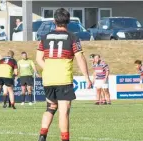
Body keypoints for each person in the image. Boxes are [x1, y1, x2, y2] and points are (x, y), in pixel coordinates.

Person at [36, 8, 91, 141]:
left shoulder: (45, 37)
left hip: (48, 78)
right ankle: (65, 139)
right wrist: (87, 77)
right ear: (69, 21)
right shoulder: (73, 37)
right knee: (63, 111)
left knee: (50, 107)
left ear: (54, 21)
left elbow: (38, 59)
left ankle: (42, 136)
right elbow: (80, 58)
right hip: (63, 78)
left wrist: (48, 69)